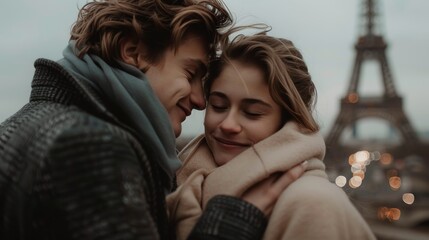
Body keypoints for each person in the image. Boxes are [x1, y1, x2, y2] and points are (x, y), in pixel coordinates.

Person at [0, 1, 300, 239]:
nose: (199, 99)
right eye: (190, 74)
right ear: (132, 52)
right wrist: (232, 219)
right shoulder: (90, 146)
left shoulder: (36, 122)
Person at [167, 33, 377, 239]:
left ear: (287, 121)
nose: (228, 124)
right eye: (218, 106)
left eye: (252, 113)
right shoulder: (182, 180)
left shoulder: (314, 205)